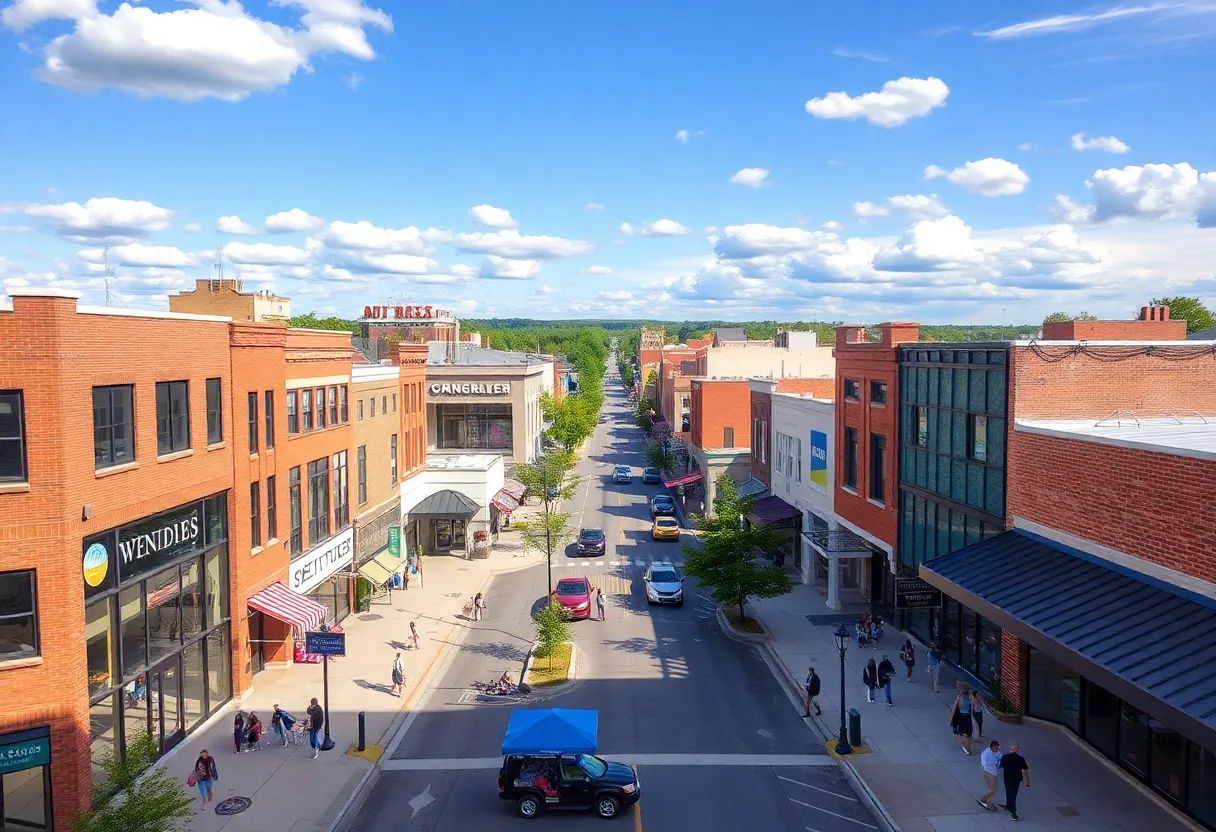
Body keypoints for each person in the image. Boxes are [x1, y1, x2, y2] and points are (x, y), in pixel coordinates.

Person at [999, 743, 1031, 821]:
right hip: (1016, 779)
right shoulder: (1020, 759)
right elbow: (1025, 770)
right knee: (1013, 794)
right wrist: (1027, 781)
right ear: (1017, 750)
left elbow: (1001, 766)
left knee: (1008, 792)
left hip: (1007, 778)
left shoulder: (1005, 757)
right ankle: (1012, 809)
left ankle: (1010, 807)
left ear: (1010, 749)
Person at [978, 739, 1002, 810]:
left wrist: (998, 763)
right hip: (989, 772)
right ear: (991, 747)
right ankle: (983, 799)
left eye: (997, 748)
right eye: (995, 748)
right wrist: (994, 764)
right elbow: (984, 764)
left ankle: (990, 801)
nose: (997, 749)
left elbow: (1000, 759)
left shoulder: (998, 752)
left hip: (994, 771)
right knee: (993, 789)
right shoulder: (985, 753)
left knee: (990, 788)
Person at [952, 688, 974, 754]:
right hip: (968, 717)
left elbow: (955, 708)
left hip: (961, 717)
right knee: (968, 733)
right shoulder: (970, 699)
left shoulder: (959, 699)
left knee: (962, 733)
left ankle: (965, 747)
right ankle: (968, 748)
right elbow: (972, 709)